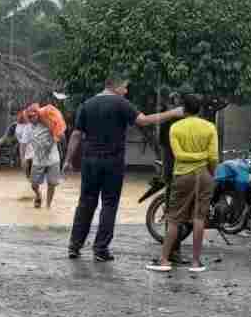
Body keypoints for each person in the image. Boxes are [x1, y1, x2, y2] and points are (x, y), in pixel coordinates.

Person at [65, 75, 183, 261]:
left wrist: (68, 159)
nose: (126, 91)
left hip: (90, 161)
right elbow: (143, 121)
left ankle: (74, 245)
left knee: (86, 202)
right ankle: (100, 249)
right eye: (125, 87)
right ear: (115, 86)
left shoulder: (86, 105)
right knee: (109, 204)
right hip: (113, 161)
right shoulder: (120, 103)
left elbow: (76, 134)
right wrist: (173, 113)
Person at [148, 94, 218, 273]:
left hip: (182, 175)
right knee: (199, 219)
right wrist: (208, 168)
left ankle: (164, 260)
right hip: (204, 175)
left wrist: (194, 158)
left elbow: (179, 156)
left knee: (173, 220)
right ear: (200, 109)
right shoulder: (210, 127)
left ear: (183, 109)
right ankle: (196, 262)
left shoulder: (175, 128)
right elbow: (213, 157)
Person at [27, 104, 66, 209]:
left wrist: (64, 153)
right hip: (38, 160)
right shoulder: (29, 127)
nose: (31, 119)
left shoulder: (48, 122)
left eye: (33, 116)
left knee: (52, 184)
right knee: (34, 184)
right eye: (29, 117)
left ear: (37, 115)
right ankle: (38, 195)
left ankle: (48, 207)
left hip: (53, 159)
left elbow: (61, 135)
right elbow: (26, 142)